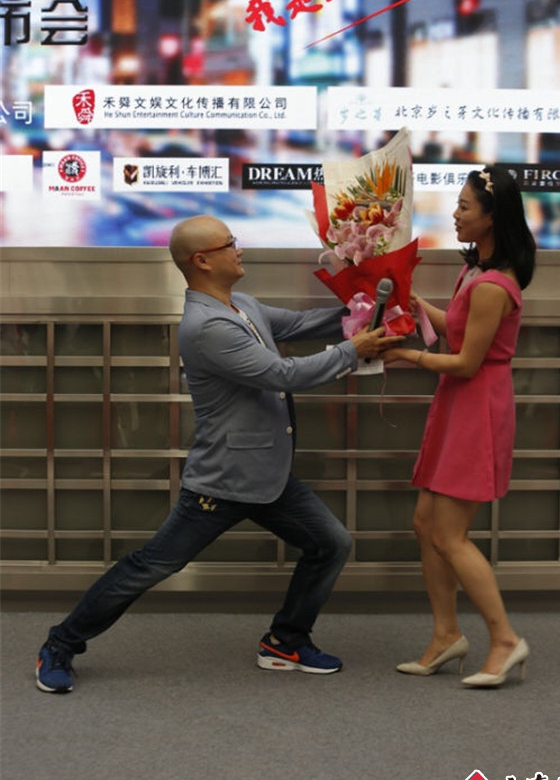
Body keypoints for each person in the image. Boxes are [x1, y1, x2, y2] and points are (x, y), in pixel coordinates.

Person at [36, 214, 403, 693]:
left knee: (331, 544)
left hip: (268, 474)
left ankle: (285, 640)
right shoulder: (206, 326)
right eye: (229, 243)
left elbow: (300, 324)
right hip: (224, 482)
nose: (239, 249)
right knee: (150, 567)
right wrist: (354, 349)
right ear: (202, 261)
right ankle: (60, 644)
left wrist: (368, 307)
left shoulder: (241, 305)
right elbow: (283, 374)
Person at [383, 167, 536, 688]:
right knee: (426, 523)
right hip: (459, 404)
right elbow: (456, 326)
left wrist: (407, 355)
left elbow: (468, 361)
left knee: (450, 534)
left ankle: (505, 640)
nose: (455, 214)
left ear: (492, 218)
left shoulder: (494, 284)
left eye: (465, 206)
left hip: (477, 406)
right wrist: (412, 302)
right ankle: (446, 635)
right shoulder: (476, 272)